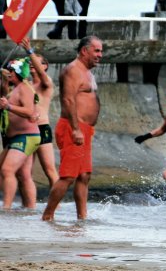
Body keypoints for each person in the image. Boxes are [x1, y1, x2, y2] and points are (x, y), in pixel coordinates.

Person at [41, 36, 103, 221]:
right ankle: (47, 216)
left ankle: (82, 217)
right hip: (72, 127)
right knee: (68, 176)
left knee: (84, 175)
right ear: (84, 51)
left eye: (101, 51)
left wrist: (87, 127)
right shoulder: (73, 70)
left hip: (85, 129)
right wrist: (76, 129)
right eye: (97, 50)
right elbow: (68, 100)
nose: (100, 55)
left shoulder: (88, 72)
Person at [0, 58, 39, 209]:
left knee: (7, 170)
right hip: (16, 138)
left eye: (11, 71)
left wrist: (8, 107)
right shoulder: (14, 89)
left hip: (26, 136)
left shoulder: (25, 88)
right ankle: (30, 210)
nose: (9, 74)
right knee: (24, 175)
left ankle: (6, 208)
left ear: (17, 73)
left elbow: (29, 111)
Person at [20, 38, 58, 188]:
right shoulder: (27, 84)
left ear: (45, 66)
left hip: (42, 128)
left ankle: (57, 206)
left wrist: (30, 51)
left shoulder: (46, 82)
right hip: (27, 130)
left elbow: (41, 74)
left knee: (49, 170)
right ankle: (30, 208)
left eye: (36, 61)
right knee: (25, 172)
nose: (31, 63)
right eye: (30, 62)